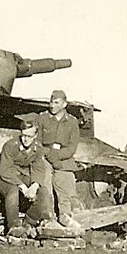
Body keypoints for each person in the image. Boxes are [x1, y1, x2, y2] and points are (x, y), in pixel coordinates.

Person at [0, 118, 52, 236]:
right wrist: (22, 186)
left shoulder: (38, 149)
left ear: (35, 135)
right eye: (23, 135)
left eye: (29, 136)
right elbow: (5, 170)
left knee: (43, 192)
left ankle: (29, 223)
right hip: (0, 176)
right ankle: (14, 227)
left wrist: (34, 185)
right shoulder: (10, 146)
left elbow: (39, 169)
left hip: (19, 176)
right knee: (13, 190)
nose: (25, 139)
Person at [35, 89, 81, 229]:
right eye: (51, 102)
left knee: (65, 180)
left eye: (56, 103)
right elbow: (37, 141)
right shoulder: (42, 118)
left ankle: (65, 216)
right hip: (45, 156)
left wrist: (58, 156)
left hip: (63, 158)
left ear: (64, 104)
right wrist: (48, 154)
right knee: (45, 182)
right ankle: (48, 216)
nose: (52, 105)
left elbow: (72, 147)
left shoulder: (72, 122)